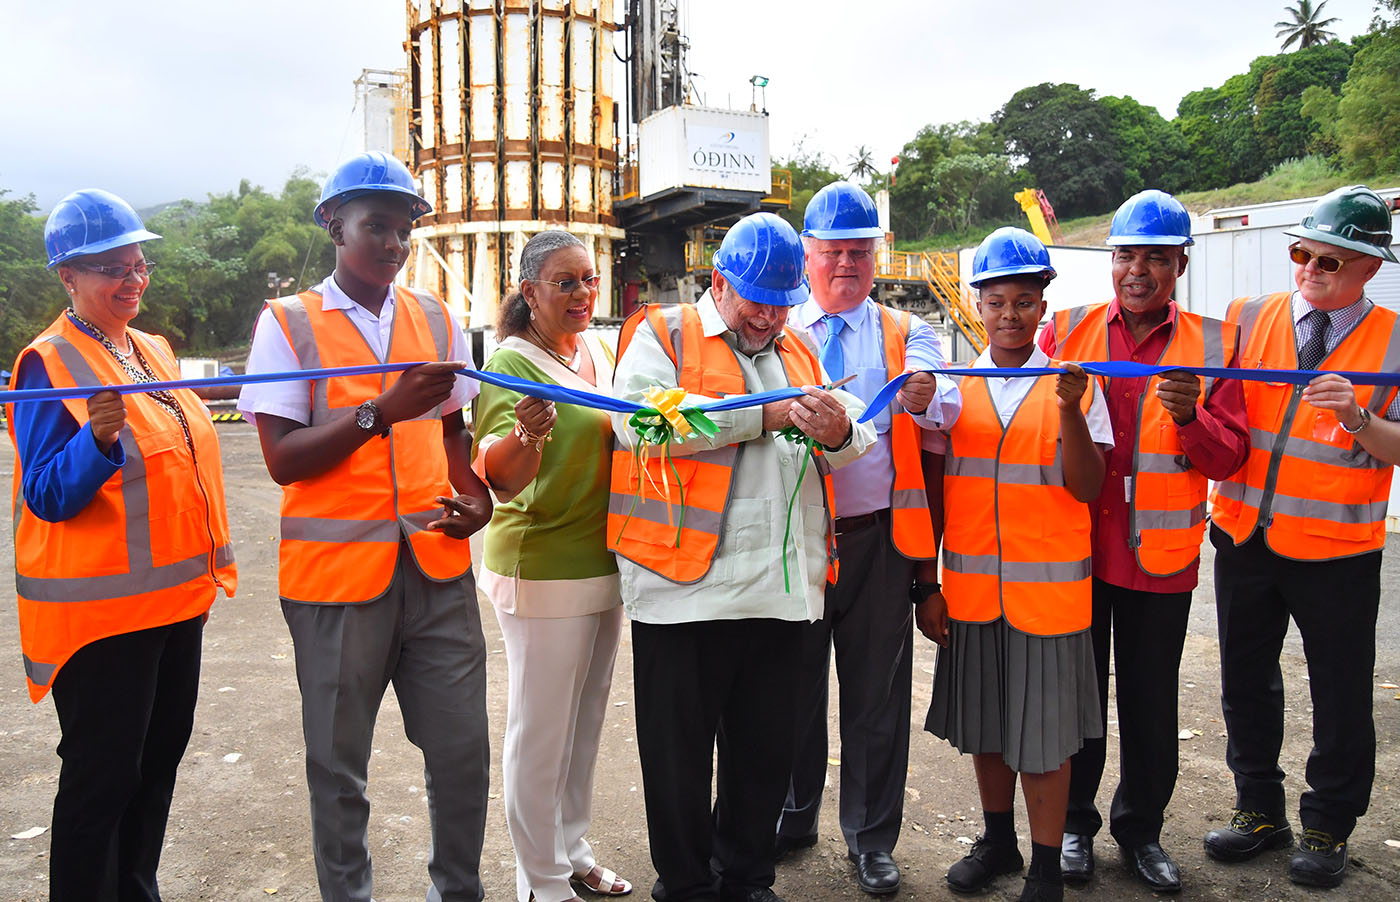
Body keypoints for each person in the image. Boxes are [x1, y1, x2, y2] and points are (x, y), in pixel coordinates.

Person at [237, 152, 494, 902]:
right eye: (375, 225)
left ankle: (459, 891)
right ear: (333, 225)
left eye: (404, 228)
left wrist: (474, 497)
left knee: (461, 755)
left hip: (437, 572)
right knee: (339, 766)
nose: (392, 242)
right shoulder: (288, 325)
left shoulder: (437, 318)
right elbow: (283, 459)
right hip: (336, 585)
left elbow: (453, 436)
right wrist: (380, 411)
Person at [608, 212, 876, 902]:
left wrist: (840, 429)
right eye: (757, 301)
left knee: (763, 756)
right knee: (679, 762)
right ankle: (687, 884)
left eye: (781, 304)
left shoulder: (796, 350)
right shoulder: (664, 333)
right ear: (720, 280)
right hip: (684, 589)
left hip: (781, 593)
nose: (768, 318)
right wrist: (764, 414)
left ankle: (747, 879)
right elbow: (639, 421)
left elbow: (857, 434)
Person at [5, 189, 237, 901]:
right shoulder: (48, 363)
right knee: (100, 783)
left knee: (156, 766)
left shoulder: (152, 350)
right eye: (113, 268)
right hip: (104, 621)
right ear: (68, 276)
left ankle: (137, 890)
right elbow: (45, 493)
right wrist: (95, 439)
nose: (133, 280)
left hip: (174, 606)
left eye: (140, 265)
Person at [1037, 189, 1250, 893]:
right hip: (1077, 552)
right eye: (1127, 255)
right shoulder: (1062, 331)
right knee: (1079, 697)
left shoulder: (1216, 345)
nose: (1138, 270)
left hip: (1159, 557)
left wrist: (1192, 421)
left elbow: (1231, 459)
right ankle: (1074, 825)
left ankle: (1141, 832)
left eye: (1156, 258)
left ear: (1180, 265)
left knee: (1152, 702)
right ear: (1111, 261)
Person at [1204, 185, 1400, 890]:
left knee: (1341, 692)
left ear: (1369, 268)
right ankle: (1259, 808)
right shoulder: (1247, 317)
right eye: (1301, 254)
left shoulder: (1396, 339)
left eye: (1329, 261)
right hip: (1244, 534)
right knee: (1244, 683)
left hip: (1338, 552)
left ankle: (1327, 824)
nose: (1310, 270)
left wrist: (1356, 417)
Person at [778, 181, 960, 895]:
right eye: (833, 252)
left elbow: (940, 391)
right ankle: (792, 816)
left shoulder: (903, 331)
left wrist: (925, 391)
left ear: (877, 255)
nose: (847, 265)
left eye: (860, 251)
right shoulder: (781, 329)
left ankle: (871, 840)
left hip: (879, 545)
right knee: (791, 690)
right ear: (808, 256)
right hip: (797, 538)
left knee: (875, 700)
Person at [922, 228, 1110, 902]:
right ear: (976, 304)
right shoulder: (952, 388)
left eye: (1024, 300)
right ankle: (998, 841)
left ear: (1043, 306)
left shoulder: (1077, 386)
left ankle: (1046, 866)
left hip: (1050, 602)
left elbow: (1088, 486)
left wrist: (1071, 413)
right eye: (997, 300)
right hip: (973, 596)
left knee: (1047, 740)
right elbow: (935, 495)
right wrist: (928, 585)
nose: (1009, 315)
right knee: (990, 729)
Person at [472, 230, 631, 902]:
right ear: (529, 290)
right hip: (541, 567)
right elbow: (497, 476)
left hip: (604, 561)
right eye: (564, 283)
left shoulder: (594, 349)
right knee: (540, 732)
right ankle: (538, 882)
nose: (581, 294)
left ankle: (573, 850)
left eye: (589, 280)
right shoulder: (512, 363)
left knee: (584, 722)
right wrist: (524, 435)